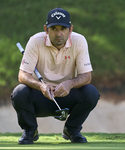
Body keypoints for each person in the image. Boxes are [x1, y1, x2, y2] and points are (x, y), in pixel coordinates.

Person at [11, 7, 100, 145]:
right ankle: (30, 130)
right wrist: (40, 85)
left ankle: (72, 129)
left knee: (91, 93)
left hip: (67, 95)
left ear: (70, 29)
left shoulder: (79, 41)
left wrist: (69, 84)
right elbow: (22, 75)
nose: (59, 34)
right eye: (54, 29)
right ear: (46, 29)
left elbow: (86, 76)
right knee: (19, 93)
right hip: (41, 96)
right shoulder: (35, 41)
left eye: (63, 29)